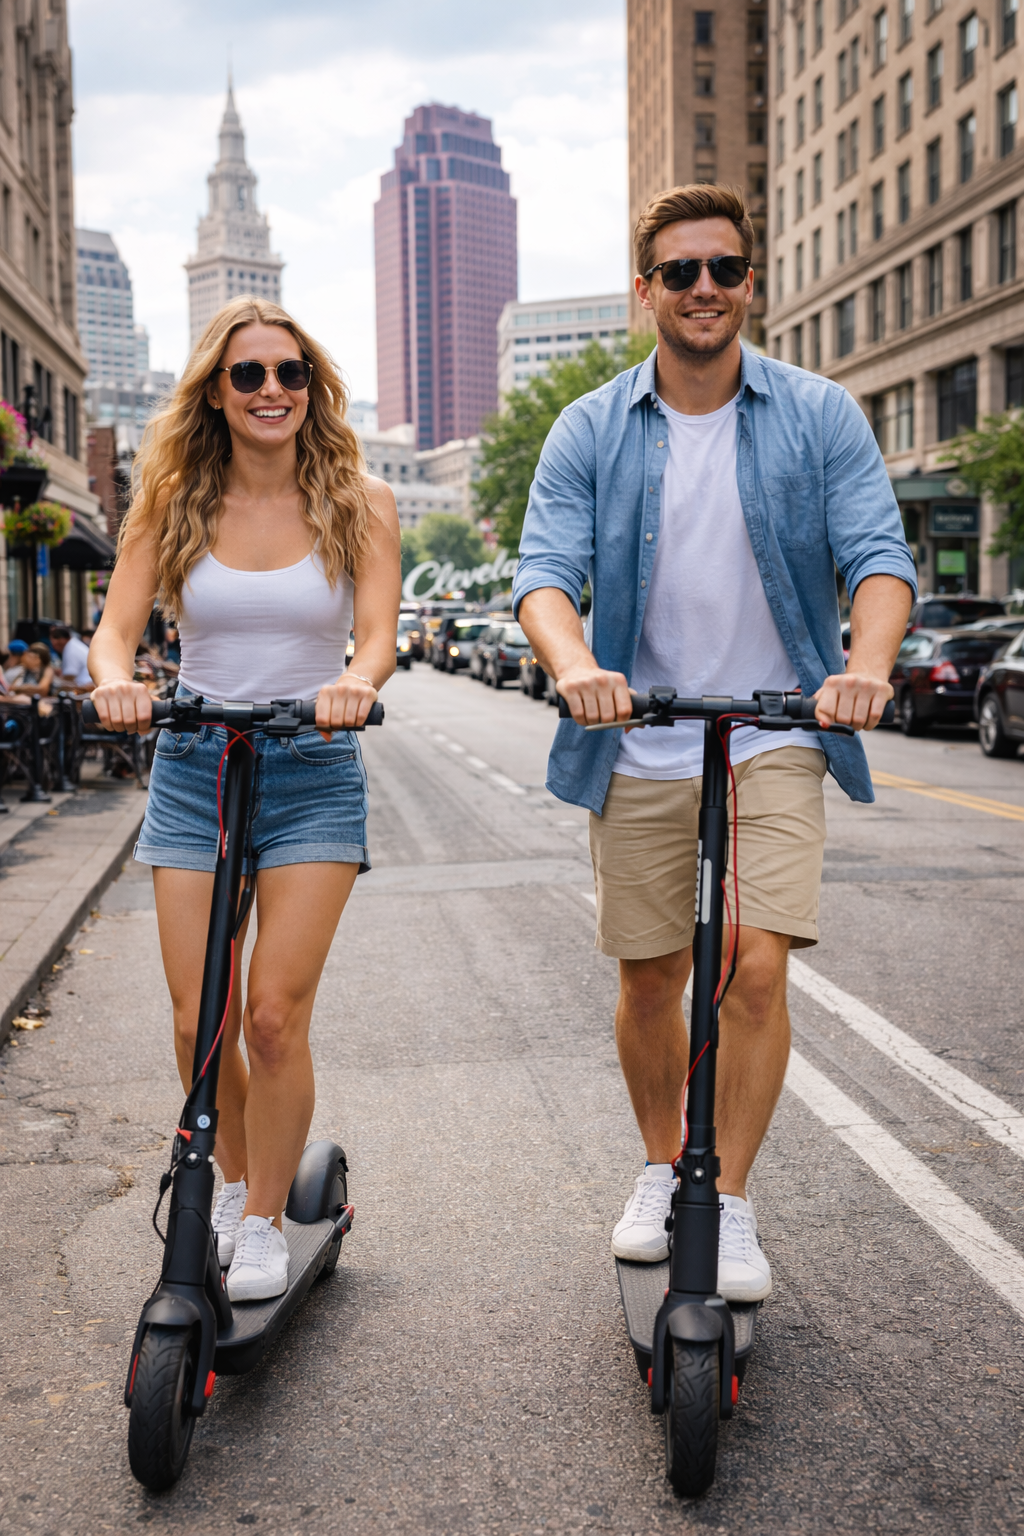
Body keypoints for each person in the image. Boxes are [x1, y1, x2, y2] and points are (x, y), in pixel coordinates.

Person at [514, 184, 916, 1302]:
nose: (704, 289)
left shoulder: (817, 414)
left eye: (724, 270)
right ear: (644, 288)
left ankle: (727, 1197)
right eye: (680, 271)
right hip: (636, 738)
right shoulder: (590, 426)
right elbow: (542, 576)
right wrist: (575, 667)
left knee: (753, 966)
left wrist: (866, 666)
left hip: (775, 730)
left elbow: (878, 556)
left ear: (750, 281)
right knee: (652, 981)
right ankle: (660, 1168)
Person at [88, 296, 401, 1302]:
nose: (273, 391)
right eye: (250, 375)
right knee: (197, 1018)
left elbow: (381, 636)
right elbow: (113, 631)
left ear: (313, 389)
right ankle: (228, 1185)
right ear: (215, 395)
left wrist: (358, 681)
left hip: (310, 766)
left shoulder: (360, 500)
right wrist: (115, 680)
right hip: (194, 768)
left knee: (269, 1016)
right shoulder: (172, 498)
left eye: (291, 373)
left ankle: (264, 1220)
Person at [50, 625, 92, 690]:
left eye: (54, 643)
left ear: (61, 640)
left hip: (84, 687)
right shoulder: (73, 644)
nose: (53, 646)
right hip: (85, 685)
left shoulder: (71, 649)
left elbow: (70, 676)